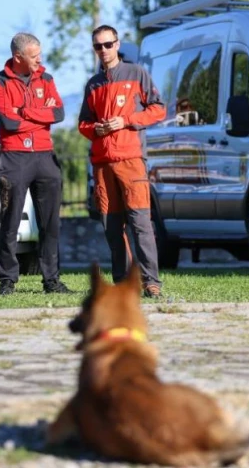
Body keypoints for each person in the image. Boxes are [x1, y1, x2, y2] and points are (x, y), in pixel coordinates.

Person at [78, 25, 166, 297]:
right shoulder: (93, 84)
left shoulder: (137, 73)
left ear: (117, 45)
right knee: (112, 227)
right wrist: (97, 130)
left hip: (131, 160)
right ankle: (122, 283)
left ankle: (151, 283)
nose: (103, 50)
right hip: (102, 164)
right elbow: (83, 123)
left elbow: (158, 110)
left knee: (140, 223)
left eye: (107, 44)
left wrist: (125, 121)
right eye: (97, 46)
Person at [0, 32, 71, 295]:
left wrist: (23, 111)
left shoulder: (46, 78)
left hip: (45, 156)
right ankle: (8, 280)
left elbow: (58, 113)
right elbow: (8, 123)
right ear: (18, 57)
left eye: (40, 54)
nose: (40, 59)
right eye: (35, 56)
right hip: (14, 157)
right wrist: (39, 114)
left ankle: (51, 280)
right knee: (10, 220)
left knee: (50, 223)